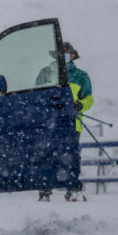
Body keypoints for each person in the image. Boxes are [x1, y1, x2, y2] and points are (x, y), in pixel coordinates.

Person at [37, 41, 93, 202]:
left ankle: (72, 188)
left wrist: (81, 104)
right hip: (49, 123)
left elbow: (89, 98)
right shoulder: (45, 73)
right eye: (62, 53)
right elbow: (37, 94)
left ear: (73, 55)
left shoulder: (82, 76)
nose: (65, 56)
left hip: (72, 123)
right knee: (47, 155)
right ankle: (45, 189)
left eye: (68, 53)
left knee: (71, 156)